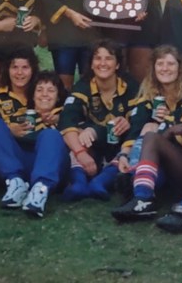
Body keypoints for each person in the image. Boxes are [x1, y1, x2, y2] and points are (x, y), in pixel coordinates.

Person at [112, 65, 182, 226]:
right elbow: (157, 146)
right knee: (151, 136)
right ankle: (143, 199)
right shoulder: (181, 114)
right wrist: (172, 131)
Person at [0, 49, 69, 218]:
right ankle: (15, 183)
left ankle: (39, 191)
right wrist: (8, 131)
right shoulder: (1, 101)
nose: (44, 95)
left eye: (50, 91)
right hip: (16, 162)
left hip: (50, 166)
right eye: (40, 90)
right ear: (32, 95)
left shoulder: (64, 110)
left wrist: (59, 120)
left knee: (50, 136)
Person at [59, 40, 139, 201]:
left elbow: (140, 122)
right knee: (75, 137)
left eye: (108, 58)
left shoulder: (130, 86)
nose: (102, 63)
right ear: (91, 64)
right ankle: (79, 183)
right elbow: (66, 119)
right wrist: (81, 153)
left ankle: (100, 182)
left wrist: (127, 122)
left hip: (120, 147)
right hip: (91, 147)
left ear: (117, 65)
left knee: (134, 144)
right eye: (97, 58)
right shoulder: (83, 86)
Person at [119, 45, 182, 183]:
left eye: (170, 64)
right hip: (151, 156)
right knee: (148, 126)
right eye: (160, 64)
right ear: (153, 68)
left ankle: (134, 175)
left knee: (151, 128)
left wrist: (168, 119)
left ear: (180, 68)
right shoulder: (148, 95)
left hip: (181, 154)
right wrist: (123, 154)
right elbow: (136, 128)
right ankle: (134, 171)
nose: (165, 68)